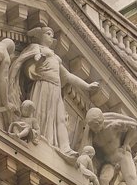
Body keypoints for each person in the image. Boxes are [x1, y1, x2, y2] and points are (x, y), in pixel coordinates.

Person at [14, 25, 97, 155]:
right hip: (43, 85)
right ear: (40, 36)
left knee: (60, 119)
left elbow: (68, 76)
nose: (51, 36)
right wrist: (40, 57)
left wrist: (86, 86)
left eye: (52, 34)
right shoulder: (36, 48)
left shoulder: (56, 58)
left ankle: (65, 148)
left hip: (56, 89)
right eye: (48, 33)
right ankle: (38, 137)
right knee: (41, 113)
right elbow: (31, 65)